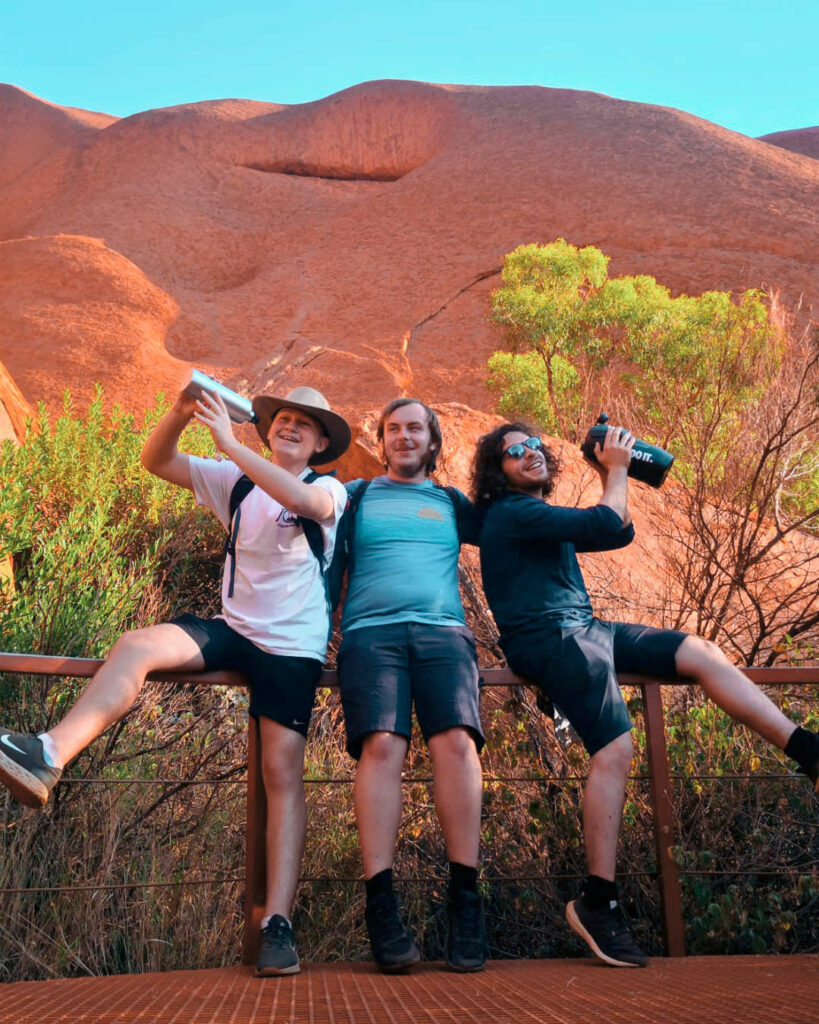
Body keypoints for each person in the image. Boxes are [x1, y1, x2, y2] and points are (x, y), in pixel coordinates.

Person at [0, 383, 351, 978]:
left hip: (292, 648)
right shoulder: (234, 480)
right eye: (283, 418)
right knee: (136, 645)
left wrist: (228, 444)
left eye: (304, 424)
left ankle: (278, 924)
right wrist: (181, 412)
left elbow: (307, 506)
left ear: (320, 444)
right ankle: (48, 755)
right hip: (233, 629)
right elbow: (155, 461)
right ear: (269, 430)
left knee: (280, 774)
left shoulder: (325, 488)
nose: (290, 425)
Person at [471, 421, 819, 969]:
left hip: (586, 626)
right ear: (498, 470)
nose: (529, 453)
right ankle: (598, 901)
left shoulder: (539, 516)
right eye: (514, 451)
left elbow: (618, 529)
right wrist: (614, 470)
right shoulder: (509, 513)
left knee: (701, 653)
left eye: (535, 444)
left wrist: (612, 474)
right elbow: (609, 524)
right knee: (614, 747)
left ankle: (806, 750)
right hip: (550, 637)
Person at [338, 397, 487, 973]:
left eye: (414, 429)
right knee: (381, 748)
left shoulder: (451, 503)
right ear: (381, 441)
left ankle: (465, 902)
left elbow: (514, 530)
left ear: (432, 441)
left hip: (444, 635)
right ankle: (382, 905)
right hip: (370, 635)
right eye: (393, 429)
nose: (404, 437)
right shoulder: (356, 496)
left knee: (456, 744)